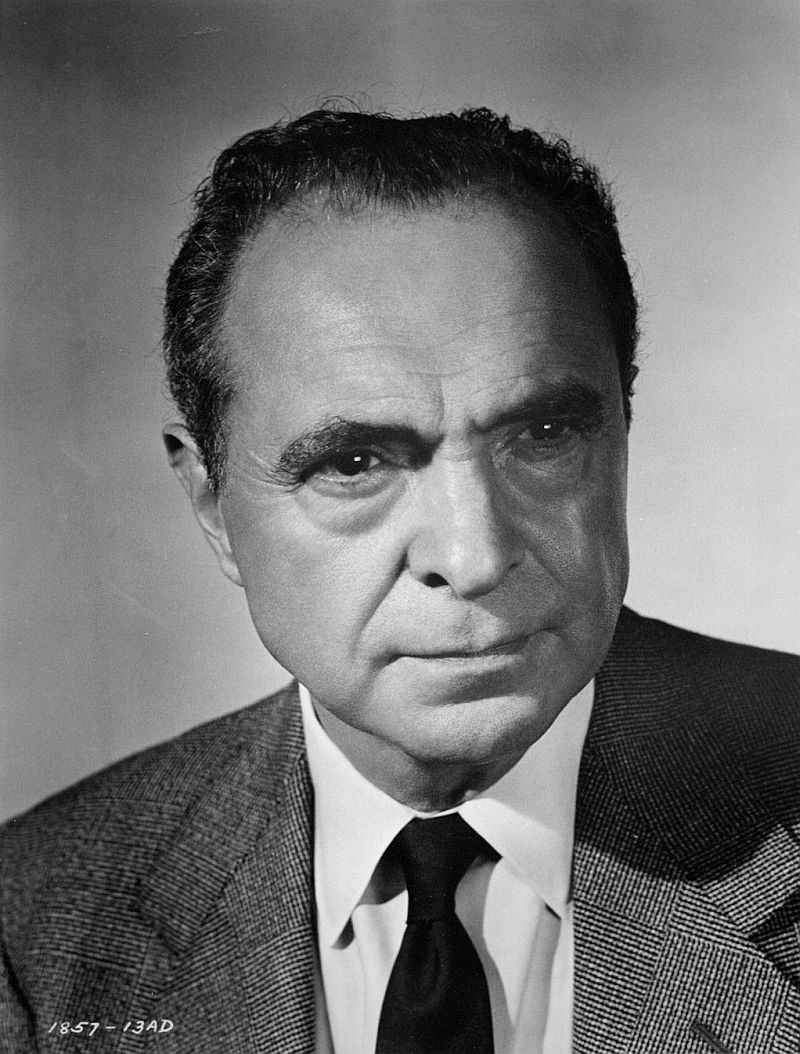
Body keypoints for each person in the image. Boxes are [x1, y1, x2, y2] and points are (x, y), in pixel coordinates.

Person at [1, 108, 798, 1054]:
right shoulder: (36, 926)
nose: (473, 556)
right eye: (354, 464)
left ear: (622, 432)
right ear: (213, 506)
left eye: (544, 435)